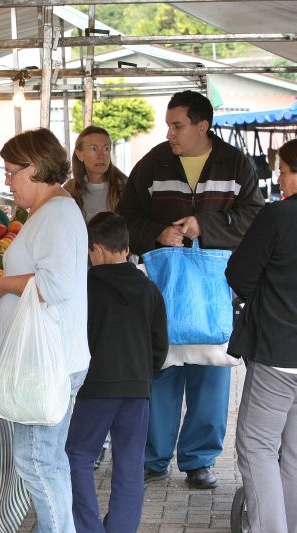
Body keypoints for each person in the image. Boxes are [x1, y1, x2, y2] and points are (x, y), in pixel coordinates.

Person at [117, 90, 264, 489]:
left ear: (203, 125)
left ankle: (200, 460)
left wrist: (205, 227)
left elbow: (255, 217)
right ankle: (154, 458)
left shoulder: (237, 164)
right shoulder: (152, 163)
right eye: (168, 125)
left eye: (178, 125)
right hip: (163, 291)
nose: (171, 133)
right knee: (161, 373)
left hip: (216, 293)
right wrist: (158, 233)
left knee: (211, 376)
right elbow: (125, 219)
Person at [0, 128, 90, 531]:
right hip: (51, 357)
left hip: (48, 360)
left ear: (35, 168)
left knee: (37, 463)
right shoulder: (50, 213)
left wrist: (0, 285)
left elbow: (54, 285)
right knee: (48, 461)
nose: (8, 182)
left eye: (11, 172)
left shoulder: (56, 214)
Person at [66, 212, 168, 533]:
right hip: (138, 387)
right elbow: (160, 345)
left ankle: (88, 528)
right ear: (125, 247)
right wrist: (144, 375)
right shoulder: (149, 289)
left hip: (96, 387)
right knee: (129, 461)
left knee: (78, 456)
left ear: (96, 248)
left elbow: (73, 337)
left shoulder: (84, 288)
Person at [225, 138, 297, 533]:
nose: (280, 178)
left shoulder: (278, 217)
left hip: (277, 353)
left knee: (257, 447)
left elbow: (239, 275)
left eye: (284, 170)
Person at [64, 126, 128, 222]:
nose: (101, 156)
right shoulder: (70, 190)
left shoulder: (125, 187)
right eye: (93, 149)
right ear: (79, 154)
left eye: (106, 149)